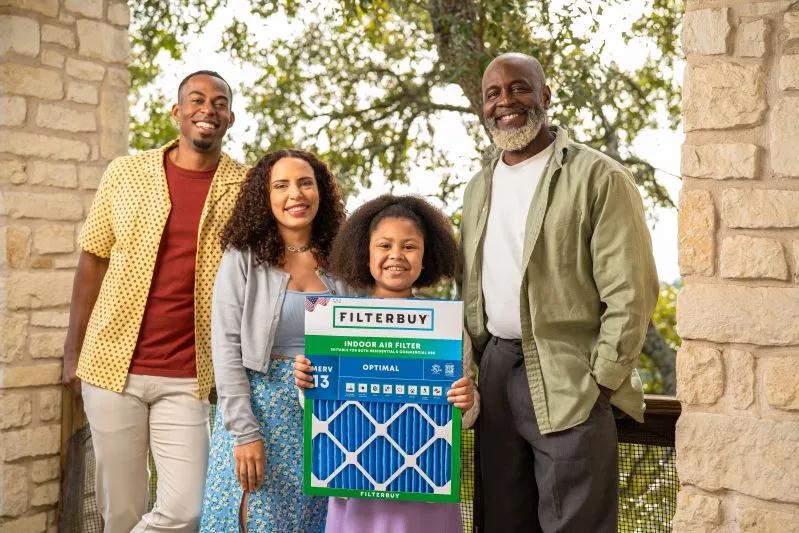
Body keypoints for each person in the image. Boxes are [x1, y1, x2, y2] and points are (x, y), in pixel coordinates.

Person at [460, 53, 659, 532]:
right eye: (492, 94)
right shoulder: (478, 187)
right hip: (496, 371)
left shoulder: (600, 177)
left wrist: (601, 383)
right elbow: (467, 287)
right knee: (502, 522)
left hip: (571, 377)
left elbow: (631, 291)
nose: (505, 102)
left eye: (519, 88)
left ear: (545, 95)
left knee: (576, 524)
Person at [62, 70, 247, 532]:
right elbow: (92, 260)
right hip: (111, 367)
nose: (208, 109)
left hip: (189, 376)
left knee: (187, 510)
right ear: (177, 112)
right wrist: (72, 352)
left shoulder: (245, 188)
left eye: (219, 103)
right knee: (120, 511)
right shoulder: (126, 173)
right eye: (197, 100)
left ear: (230, 118)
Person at [294, 194, 479, 533]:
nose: (396, 255)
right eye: (384, 245)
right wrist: (307, 383)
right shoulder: (335, 323)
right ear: (365, 254)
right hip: (355, 489)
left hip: (426, 490)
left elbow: (466, 414)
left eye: (409, 246)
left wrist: (467, 401)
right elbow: (317, 407)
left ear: (426, 257)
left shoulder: (447, 328)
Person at [200, 149, 347, 532]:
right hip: (257, 413)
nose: (295, 194)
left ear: (320, 191)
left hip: (326, 417)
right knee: (253, 520)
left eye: (305, 183)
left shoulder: (344, 258)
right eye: (281, 185)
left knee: (311, 522)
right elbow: (226, 348)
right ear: (265, 197)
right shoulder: (243, 256)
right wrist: (245, 433)